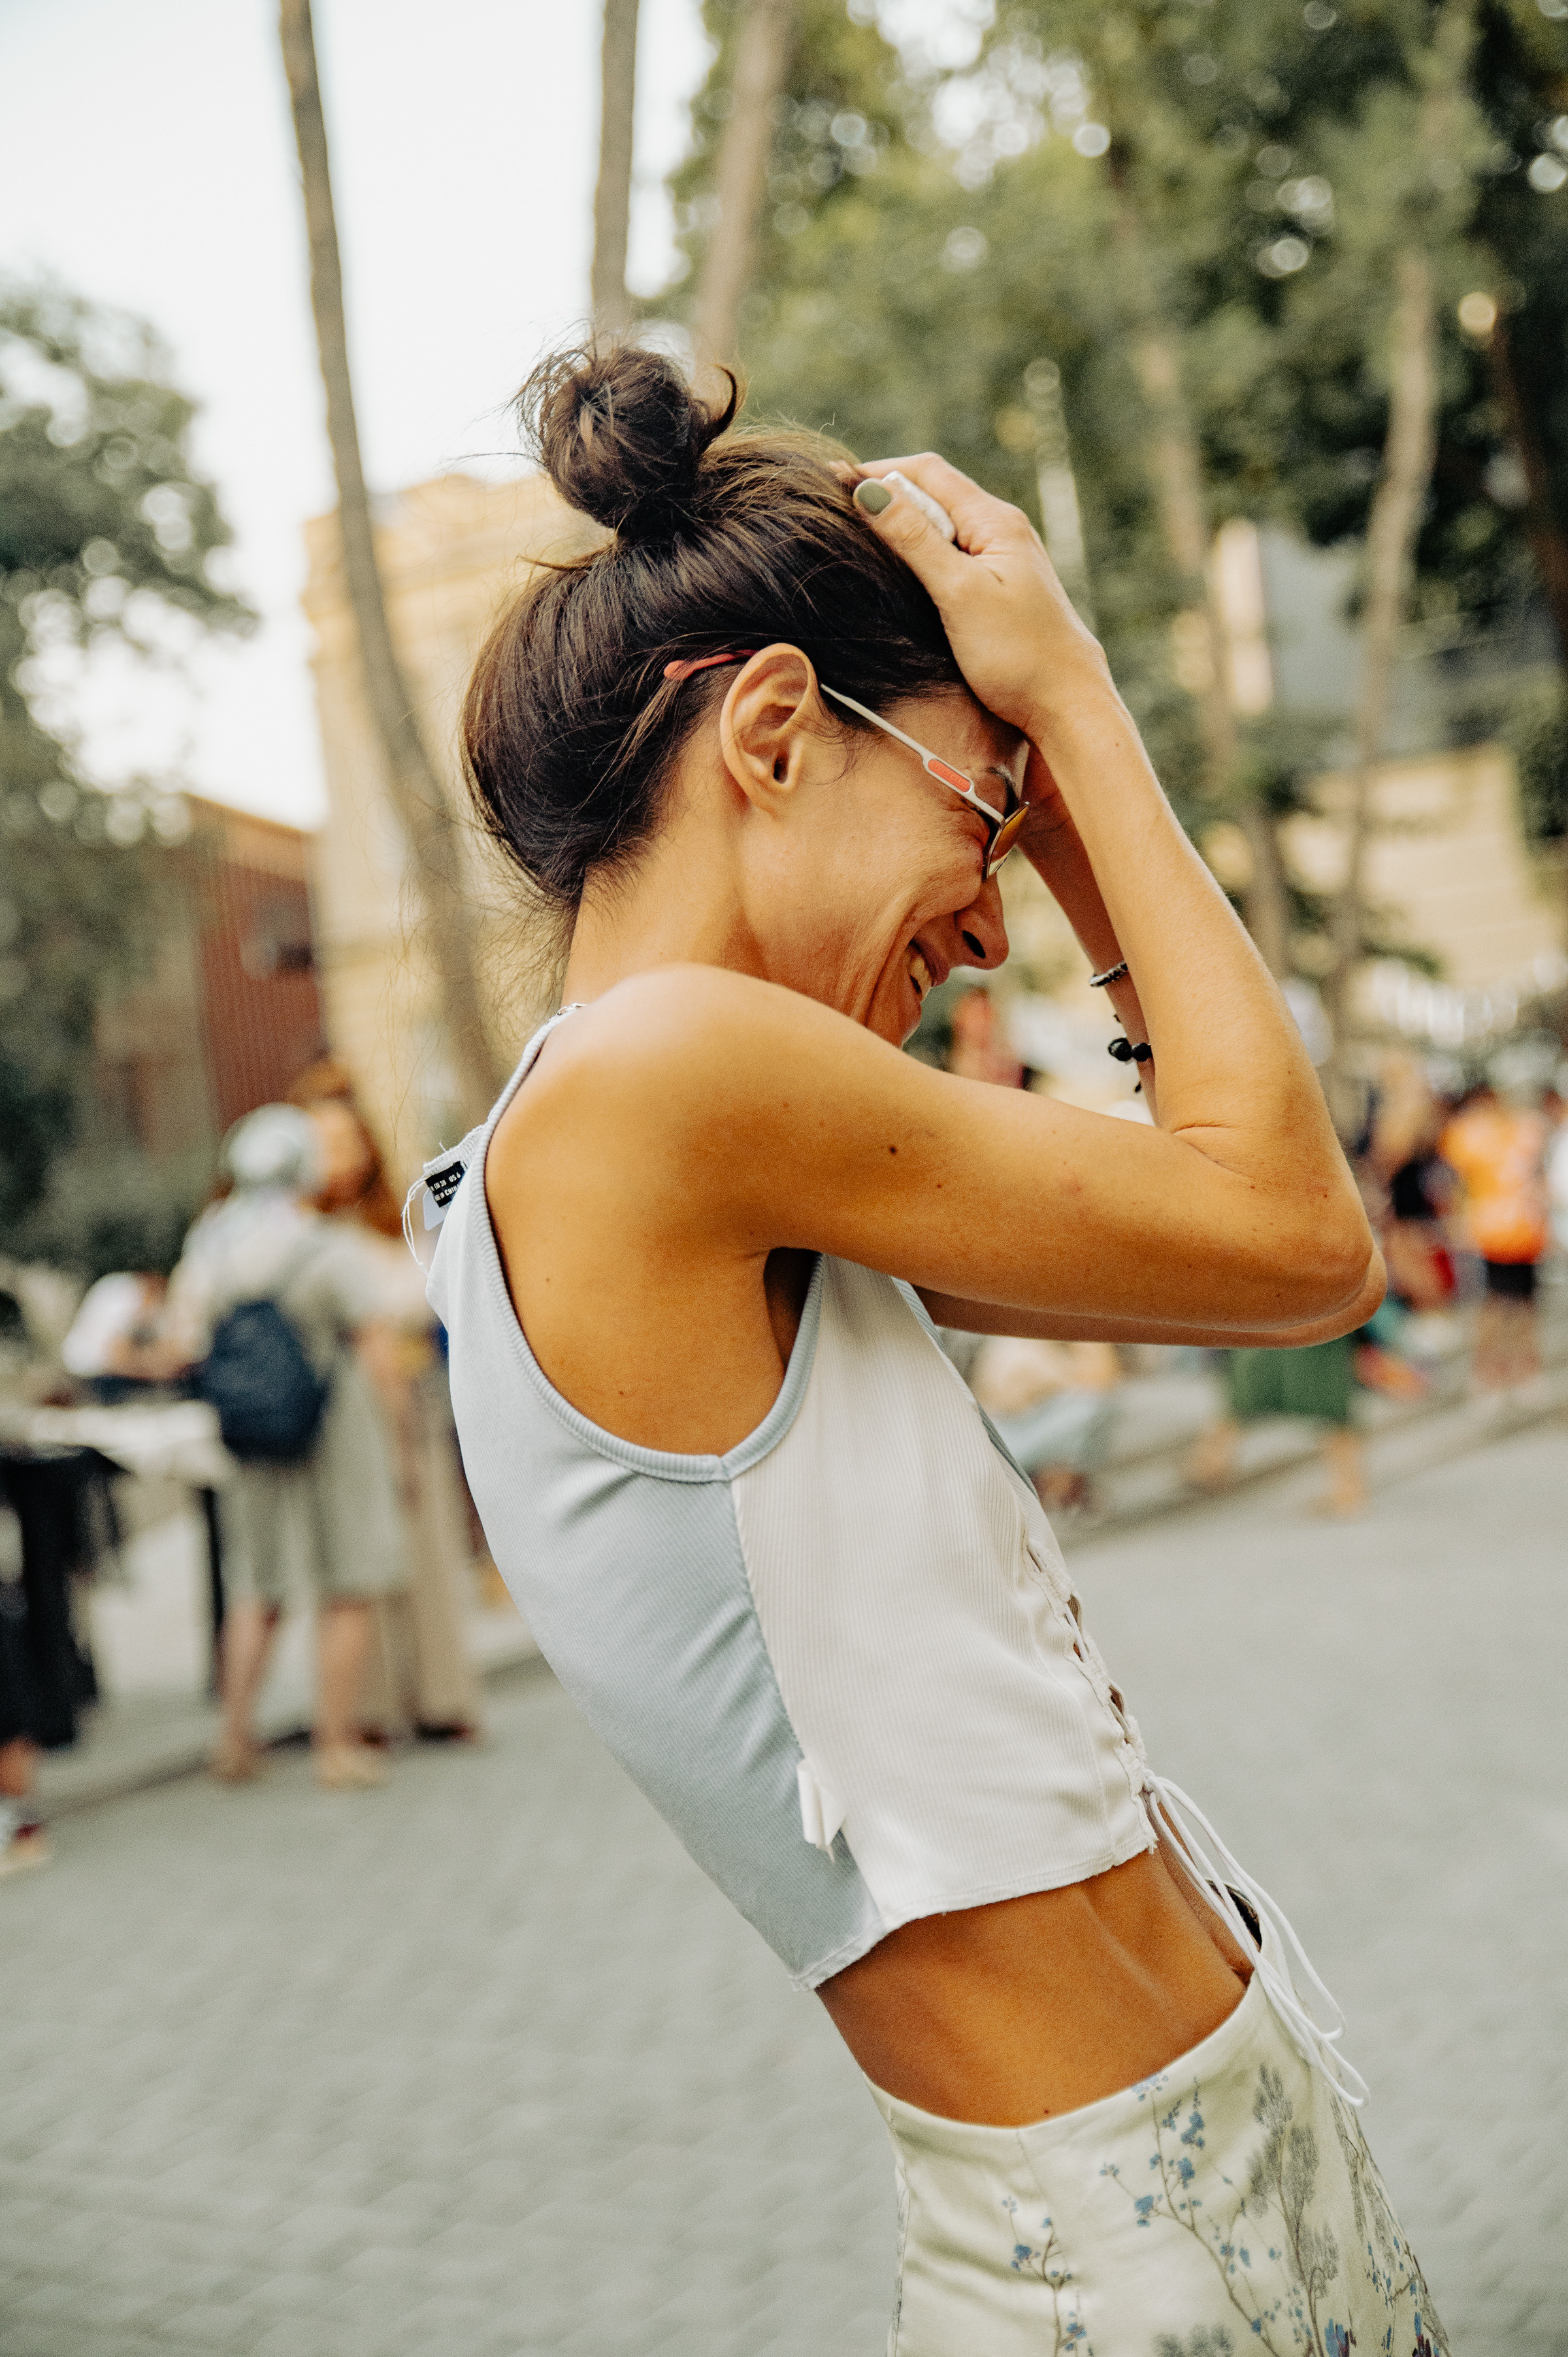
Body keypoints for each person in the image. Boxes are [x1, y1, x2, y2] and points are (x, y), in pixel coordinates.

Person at [421, 346, 1439, 2349]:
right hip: (1120, 2256)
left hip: (1192, 2183)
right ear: (775, 729)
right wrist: (1071, 701)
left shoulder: (694, 1144)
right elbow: (1299, 1238)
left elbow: (1244, 1230)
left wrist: (1026, 775)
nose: (992, 919)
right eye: (988, 814)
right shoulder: (666, 1080)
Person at [165, 1106, 408, 1790]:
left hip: (251, 1434)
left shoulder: (210, 1250)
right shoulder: (326, 1246)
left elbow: (186, 1339)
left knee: (255, 1586)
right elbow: (376, 1348)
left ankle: (234, 1738)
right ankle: (337, 1745)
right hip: (336, 1430)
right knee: (348, 1581)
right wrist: (401, 1441)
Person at [289, 1068, 483, 1743]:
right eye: (321, 1143)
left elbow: (475, 1177)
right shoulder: (296, 1230)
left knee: (429, 1542)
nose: (338, 1157)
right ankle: (367, 1708)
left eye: (347, 1140)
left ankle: (442, 1697)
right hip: (342, 1408)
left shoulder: (403, 1210)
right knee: (361, 1557)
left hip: (415, 1386)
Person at [1440, 1075, 1550, 1394]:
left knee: (1523, 1305)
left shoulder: (1525, 1128)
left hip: (1524, 1234)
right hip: (1488, 1235)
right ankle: (1489, 1373)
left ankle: (1524, 1371)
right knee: (1494, 1306)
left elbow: (1535, 1175)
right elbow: (1452, 1183)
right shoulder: (1468, 1133)